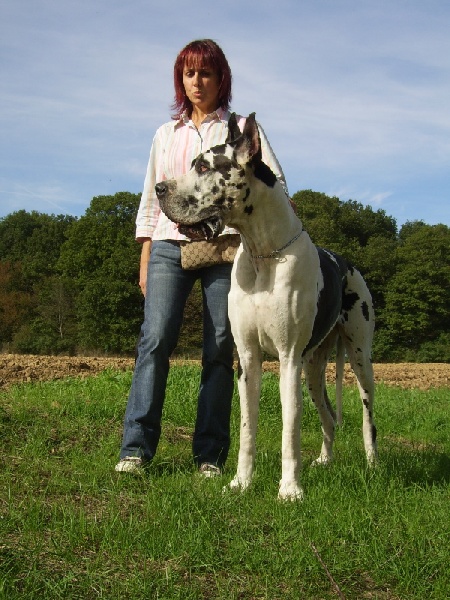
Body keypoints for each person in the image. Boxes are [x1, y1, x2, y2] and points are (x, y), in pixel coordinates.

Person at [115, 39, 288, 476]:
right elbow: (151, 203)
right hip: (169, 248)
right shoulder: (165, 134)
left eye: (206, 73)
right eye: (189, 73)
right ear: (181, 80)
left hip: (227, 250)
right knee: (154, 342)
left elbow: (274, 184)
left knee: (219, 348)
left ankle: (209, 456)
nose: (197, 82)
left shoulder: (241, 128)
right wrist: (145, 257)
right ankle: (135, 450)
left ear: (220, 78)